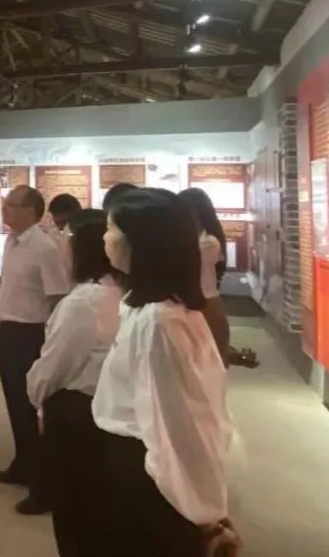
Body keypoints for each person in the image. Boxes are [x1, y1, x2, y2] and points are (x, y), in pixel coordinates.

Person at [92, 188, 240, 557]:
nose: (105, 238)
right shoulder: (147, 307)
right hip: (130, 456)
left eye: (112, 229)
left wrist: (206, 513)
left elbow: (180, 422)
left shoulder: (159, 323)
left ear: (142, 243)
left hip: (147, 470)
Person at [27, 208, 123, 555]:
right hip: (108, 414)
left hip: (78, 416)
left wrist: (39, 401)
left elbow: (53, 368)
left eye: (68, 242)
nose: (61, 249)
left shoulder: (83, 303)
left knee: (75, 516)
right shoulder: (122, 294)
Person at [0, 184, 70, 515]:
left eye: (11, 204)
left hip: (29, 333)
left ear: (30, 212)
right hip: (6, 329)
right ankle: (22, 465)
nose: (4, 208)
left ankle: (42, 486)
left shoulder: (44, 248)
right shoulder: (12, 241)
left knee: (31, 408)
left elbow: (57, 297)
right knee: (13, 401)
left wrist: (51, 341)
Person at [178, 188, 232, 364]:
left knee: (207, 365)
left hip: (206, 307)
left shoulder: (207, 242)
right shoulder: (199, 239)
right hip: (196, 305)